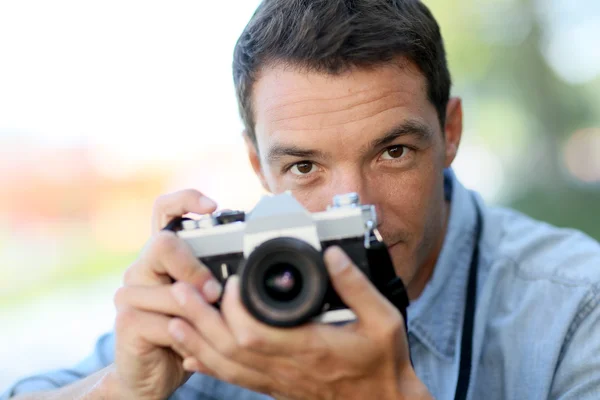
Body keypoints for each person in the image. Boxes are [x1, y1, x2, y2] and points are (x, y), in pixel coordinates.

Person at [3, 0, 600, 399]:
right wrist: (123, 388)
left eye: (392, 152)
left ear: (449, 133)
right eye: (305, 166)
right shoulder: (225, 298)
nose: (353, 204)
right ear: (258, 166)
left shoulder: (575, 307)